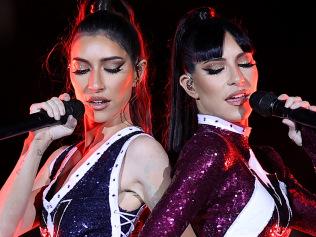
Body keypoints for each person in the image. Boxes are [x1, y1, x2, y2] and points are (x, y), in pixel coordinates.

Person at [139, 7, 316, 237]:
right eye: (216, 69)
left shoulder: (266, 159)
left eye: (245, 64)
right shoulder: (211, 149)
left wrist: (312, 143)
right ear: (190, 85)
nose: (238, 79)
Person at [0, 0, 172, 236]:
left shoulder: (140, 152)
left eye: (111, 68)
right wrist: (34, 145)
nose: (94, 85)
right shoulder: (59, 160)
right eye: (81, 70)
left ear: (138, 73)